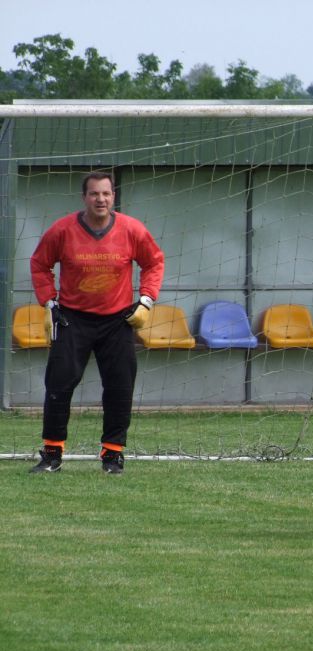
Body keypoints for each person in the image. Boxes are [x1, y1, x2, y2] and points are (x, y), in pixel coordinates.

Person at [29, 171, 165, 475]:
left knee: (119, 387)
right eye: (94, 194)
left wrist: (146, 299)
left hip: (117, 321)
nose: (100, 199)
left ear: (113, 196)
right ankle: (52, 454)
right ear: (84, 198)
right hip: (72, 319)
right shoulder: (62, 230)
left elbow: (154, 262)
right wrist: (49, 301)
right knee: (58, 386)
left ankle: (112, 455)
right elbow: (39, 264)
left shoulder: (132, 230)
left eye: (106, 193)